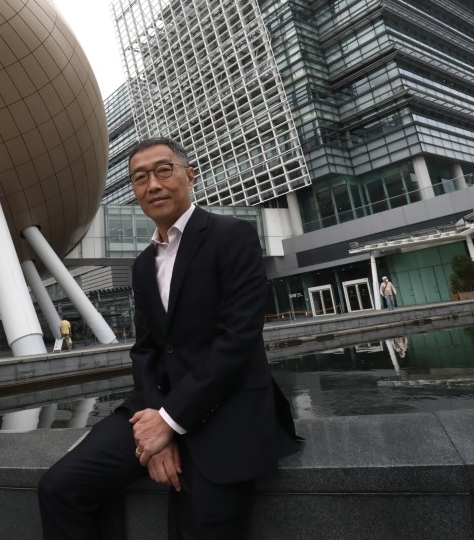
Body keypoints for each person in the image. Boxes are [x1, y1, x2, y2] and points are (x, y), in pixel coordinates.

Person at [39, 137, 301, 539]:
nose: (153, 185)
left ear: (189, 175)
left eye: (164, 171)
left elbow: (238, 339)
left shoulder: (232, 236)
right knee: (60, 489)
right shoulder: (144, 265)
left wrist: (170, 421)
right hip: (156, 406)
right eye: (140, 178)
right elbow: (146, 349)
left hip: (226, 411)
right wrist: (156, 424)